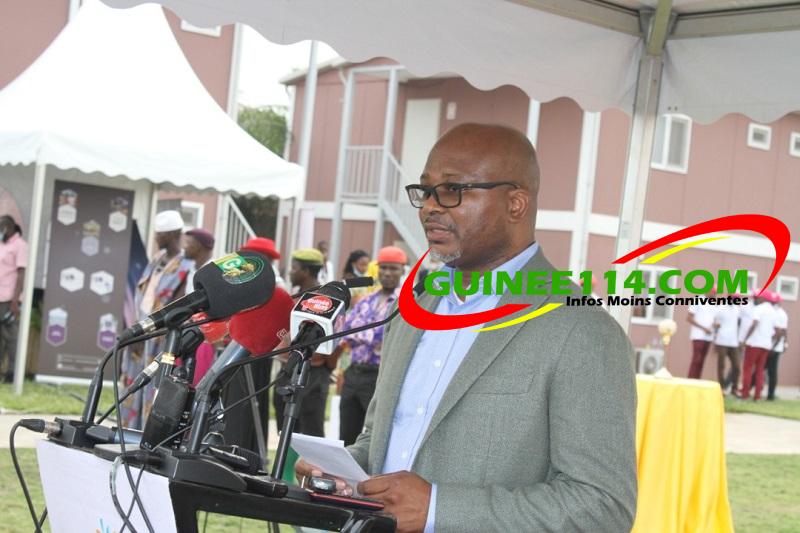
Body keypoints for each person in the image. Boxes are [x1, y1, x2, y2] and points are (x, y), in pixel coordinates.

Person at [297, 123, 637, 531]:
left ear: (516, 203)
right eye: (426, 190)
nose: (429, 207)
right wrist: (345, 472)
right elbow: (383, 441)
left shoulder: (581, 330)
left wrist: (439, 510)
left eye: (452, 190)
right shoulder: (411, 310)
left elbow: (603, 506)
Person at [120, 210, 193, 429]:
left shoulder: (185, 266)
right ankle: (130, 429)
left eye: (160, 234)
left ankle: (146, 431)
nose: (156, 238)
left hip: (160, 336)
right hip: (141, 330)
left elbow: (178, 305)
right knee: (134, 384)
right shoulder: (157, 259)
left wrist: (153, 331)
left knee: (154, 383)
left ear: (172, 235)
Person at [338, 246, 406, 446]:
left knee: (375, 436)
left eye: (393, 268)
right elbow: (346, 331)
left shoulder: (407, 302)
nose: (387, 273)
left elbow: (383, 337)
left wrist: (362, 334)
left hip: (379, 377)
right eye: (383, 268)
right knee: (346, 436)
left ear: (402, 270)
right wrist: (369, 335)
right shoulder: (367, 300)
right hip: (353, 373)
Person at [273, 248, 338, 437]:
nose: (290, 272)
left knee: (310, 432)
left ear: (306, 271)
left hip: (312, 373)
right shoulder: (295, 296)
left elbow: (336, 338)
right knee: (285, 432)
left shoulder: (323, 300)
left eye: (294, 268)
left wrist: (326, 367)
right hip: (287, 369)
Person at [0, 216, 27, 383]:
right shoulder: (3, 244)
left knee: (10, 337)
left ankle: (11, 374)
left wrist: (15, 301)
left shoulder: (20, 245)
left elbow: (21, 274)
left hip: (9, 299)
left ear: (8, 227)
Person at [740, 291, 777, 400]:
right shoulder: (773, 311)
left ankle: (745, 394)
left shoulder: (758, 309)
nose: (755, 300)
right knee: (760, 370)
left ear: (763, 299)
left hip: (754, 343)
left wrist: (745, 339)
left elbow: (754, 324)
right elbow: (775, 330)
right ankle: (757, 396)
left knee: (747, 368)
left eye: (757, 298)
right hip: (766, 345)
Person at [713, 298, 741, 393]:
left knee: (736, 366)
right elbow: (715, 322)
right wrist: (715, 339)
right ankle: (722, 387)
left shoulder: (737, 308)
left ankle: (734, 388)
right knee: (721, 365)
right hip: (722, 340)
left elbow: (738, 322)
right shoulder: (721, 308)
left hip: (733, 341)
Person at [686, 294, 717, 379]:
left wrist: (715, 325)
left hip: (708, 337)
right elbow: (689, 318)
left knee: (701, 361)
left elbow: (712, 319)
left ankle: (697, 380)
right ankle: (691, 380)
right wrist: (703, 328)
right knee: (696, 359)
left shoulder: (714, 303)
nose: (714, 295)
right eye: (713, 293)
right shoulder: (698, 300)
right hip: (698, 336)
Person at [765, 292, 787, 400]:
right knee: (763, 369)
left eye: (775, 302)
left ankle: (771, 394)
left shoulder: (781, 314)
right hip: (768, 346)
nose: (773, 304)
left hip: (775, 348)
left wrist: (774, 347)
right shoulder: (772, 312)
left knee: (772, 371)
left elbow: (782, 332)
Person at [183, 227, 215, 294]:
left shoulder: (213, 272)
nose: (184, 247)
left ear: (198, 246)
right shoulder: (192, 269)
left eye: (188, 243)